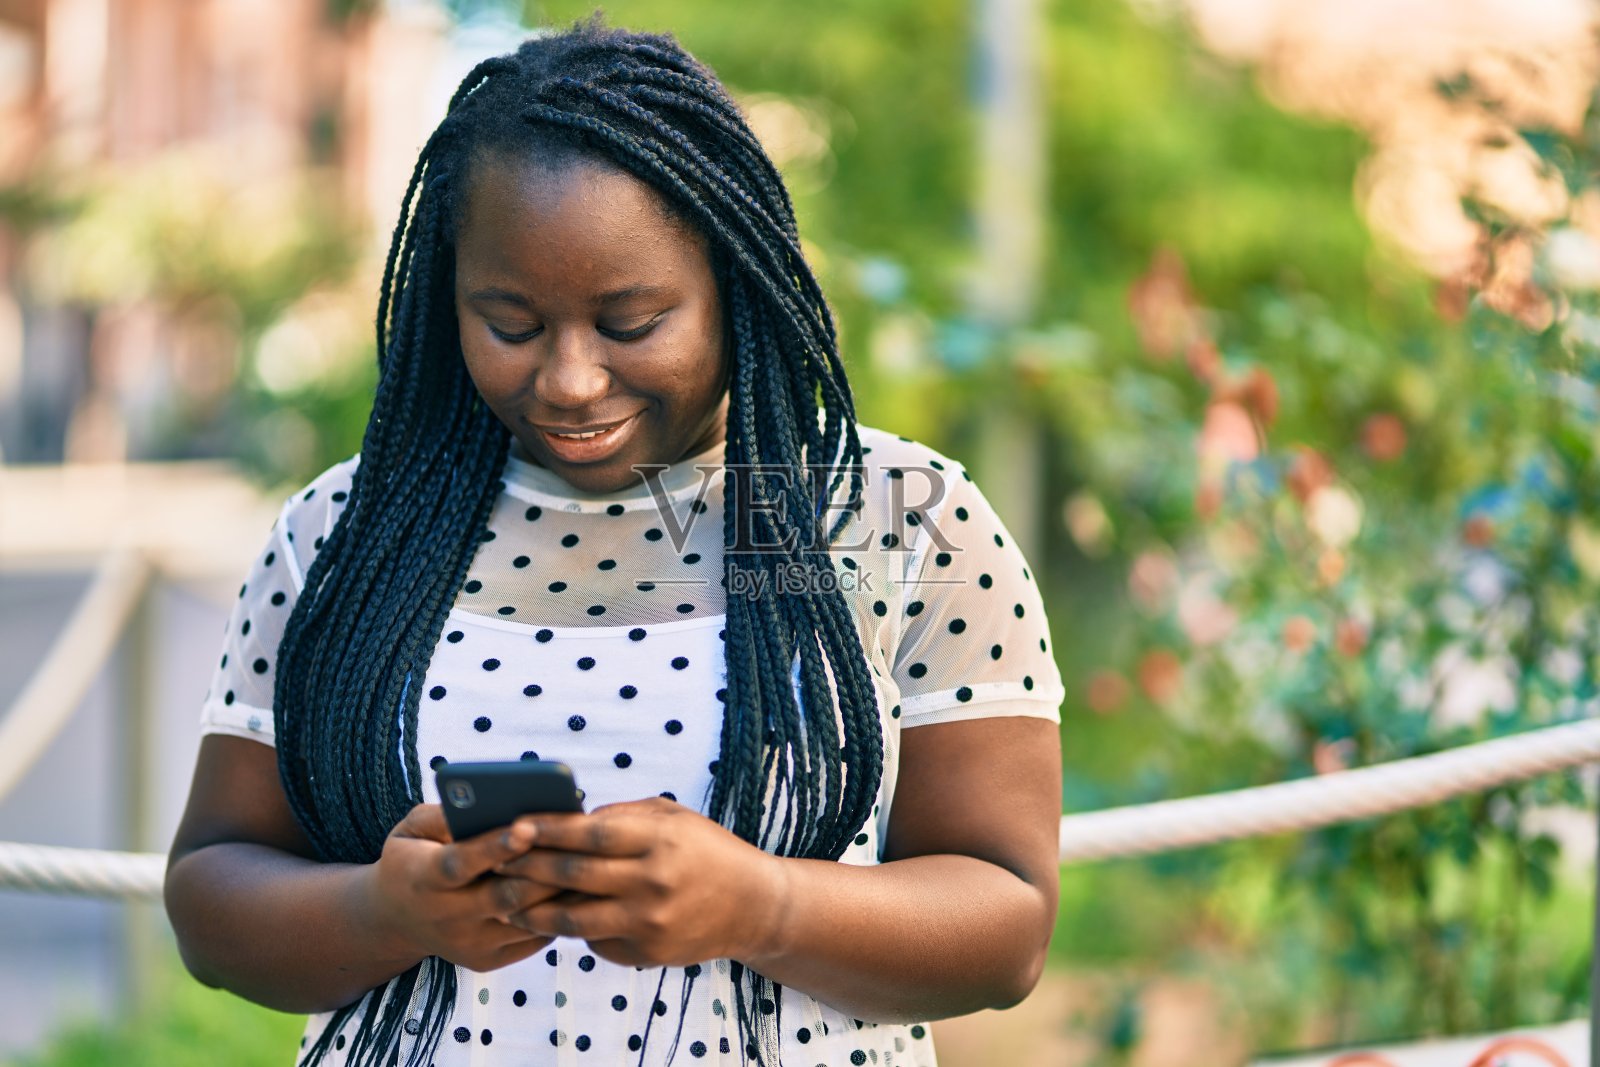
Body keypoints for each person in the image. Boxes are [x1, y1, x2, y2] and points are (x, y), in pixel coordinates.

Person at [163, 18, 1065, 1067]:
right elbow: (212, 895)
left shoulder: (883, 515)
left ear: (734, 281)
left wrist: (764, 905)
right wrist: (382, 912)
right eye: (510, 324)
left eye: (631, 323)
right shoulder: (353, 527)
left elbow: (1007, 928)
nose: (569, 380)